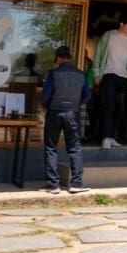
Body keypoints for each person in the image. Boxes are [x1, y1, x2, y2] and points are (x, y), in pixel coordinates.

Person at [41, 45, 91, 194]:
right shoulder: (81, 75)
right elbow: (87, 95)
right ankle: (76, 183)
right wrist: (77, 104)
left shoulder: (53, 73)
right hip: (73, 113)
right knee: (75, 147)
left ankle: (53, 185)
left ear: (58, 58)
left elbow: (46, 94)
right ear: (70, 58)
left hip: (55, 112)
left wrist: (45, 105)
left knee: (51, 147)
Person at [92, 13, 127, 150]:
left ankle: (113, 137)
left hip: (124, 76)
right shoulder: (109, 35)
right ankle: (105, 137)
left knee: (120, 107)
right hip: (108, 73)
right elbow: (99, 54)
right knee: (110, 105)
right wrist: (96, 74)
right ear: (121, 24)